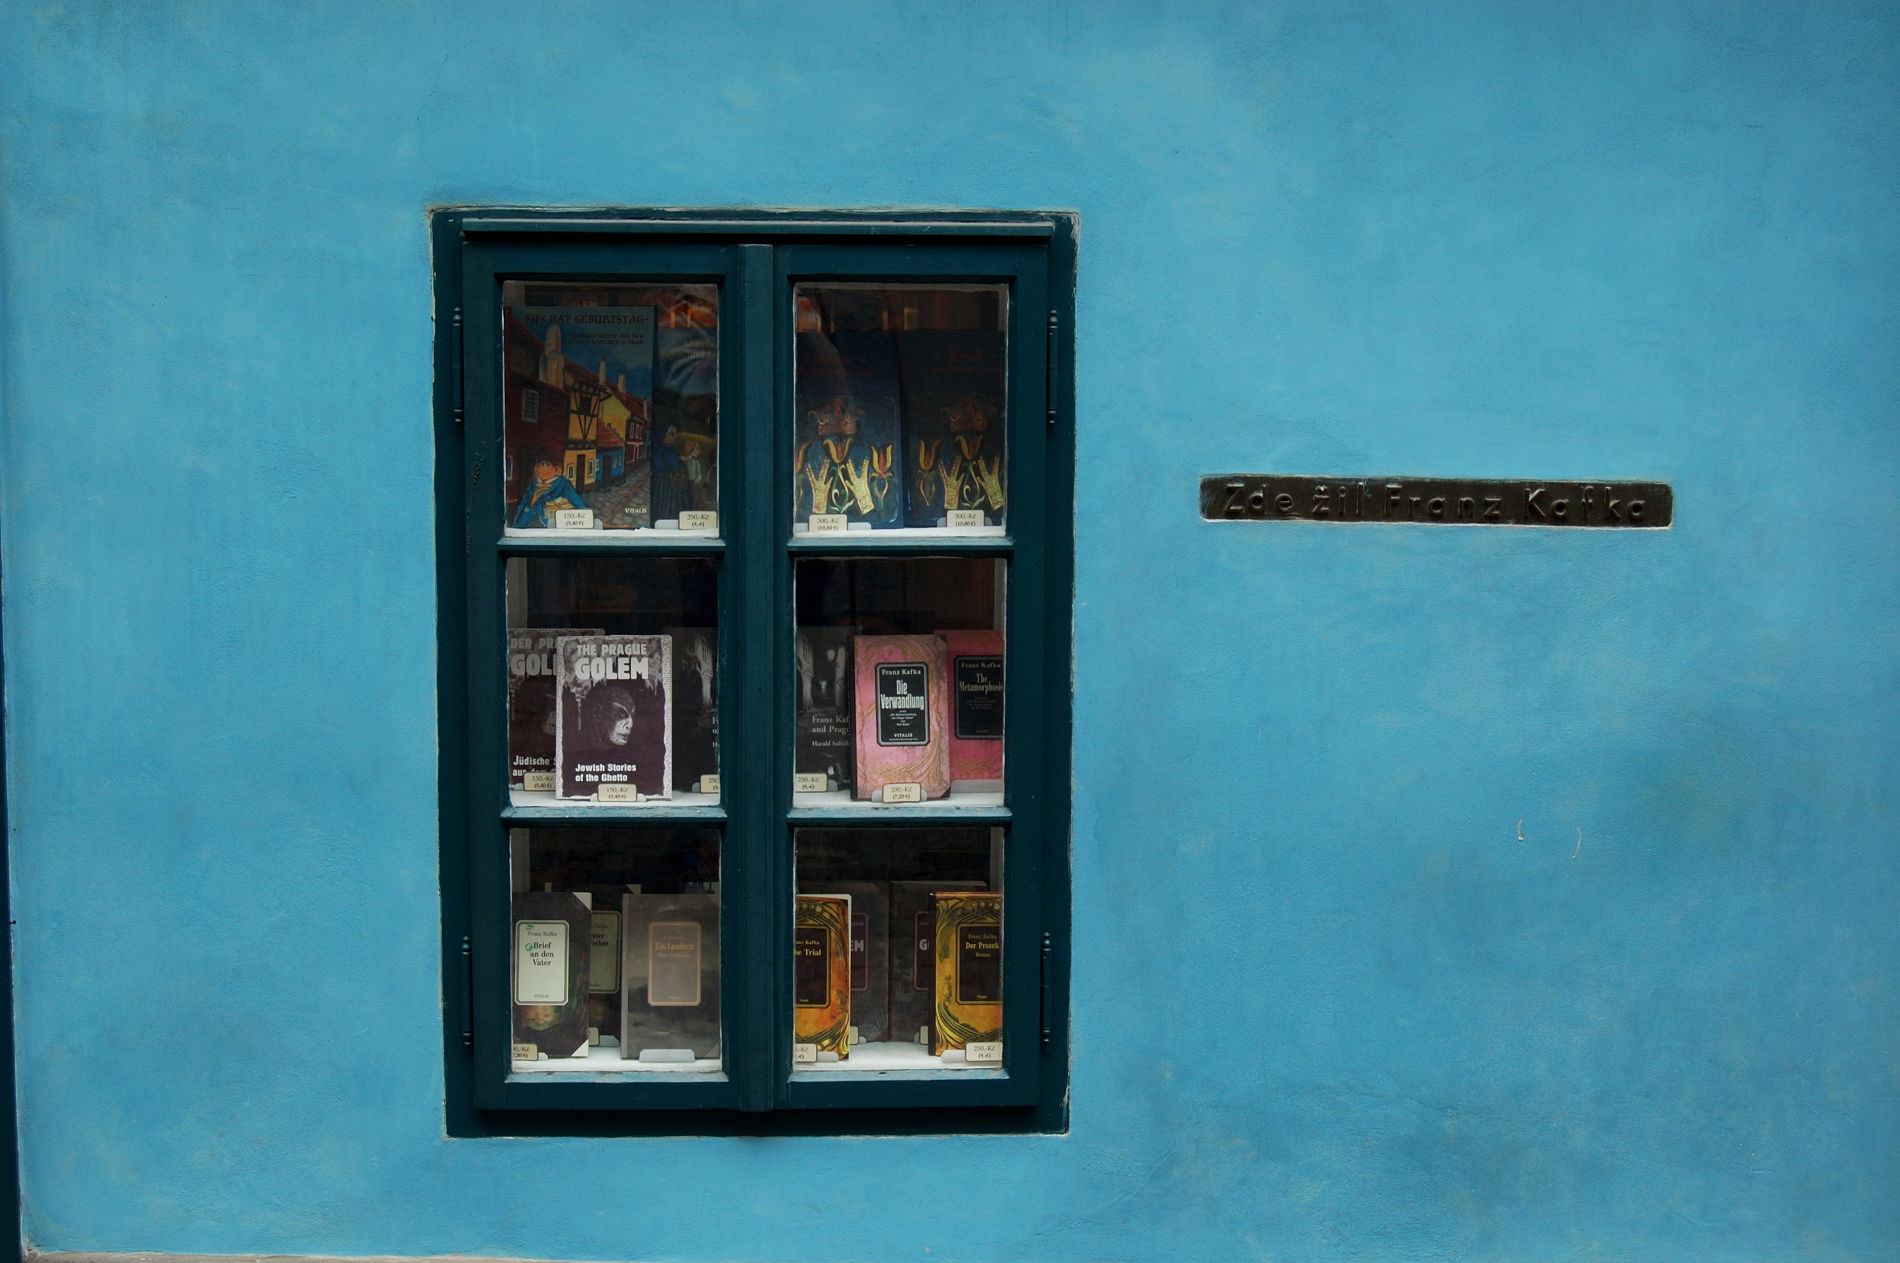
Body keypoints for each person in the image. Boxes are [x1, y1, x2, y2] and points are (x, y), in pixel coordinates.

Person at [513, 458, 588, 528]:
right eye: (541, 464)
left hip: (566, 525)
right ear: (535, 469)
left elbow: (581, 508)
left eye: (547, 464)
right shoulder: (533, 488)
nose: (544, 466)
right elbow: (519, 524)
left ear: (557, 470)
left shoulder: (564, 486)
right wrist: (531, 502)